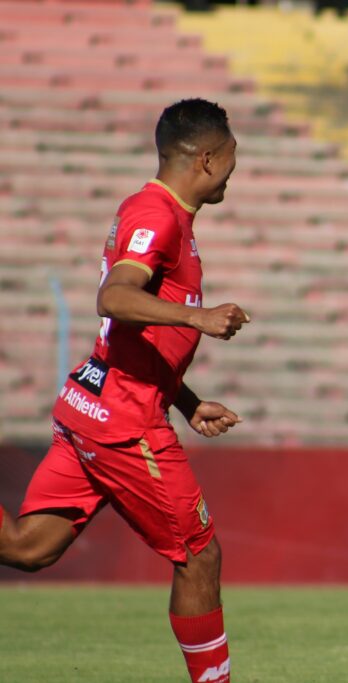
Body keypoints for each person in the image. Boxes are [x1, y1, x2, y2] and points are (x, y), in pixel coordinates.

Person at [0, 98, 248, 683]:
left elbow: (136, 333)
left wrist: (186, 402)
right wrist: (202, 318)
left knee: (29, 547)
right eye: (234, 155)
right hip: (124, 423)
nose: (237, 167)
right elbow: (114, 298)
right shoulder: (156, 215)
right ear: (208, 159)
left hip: (95, 402)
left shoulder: (160, 214)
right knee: (198, 555)